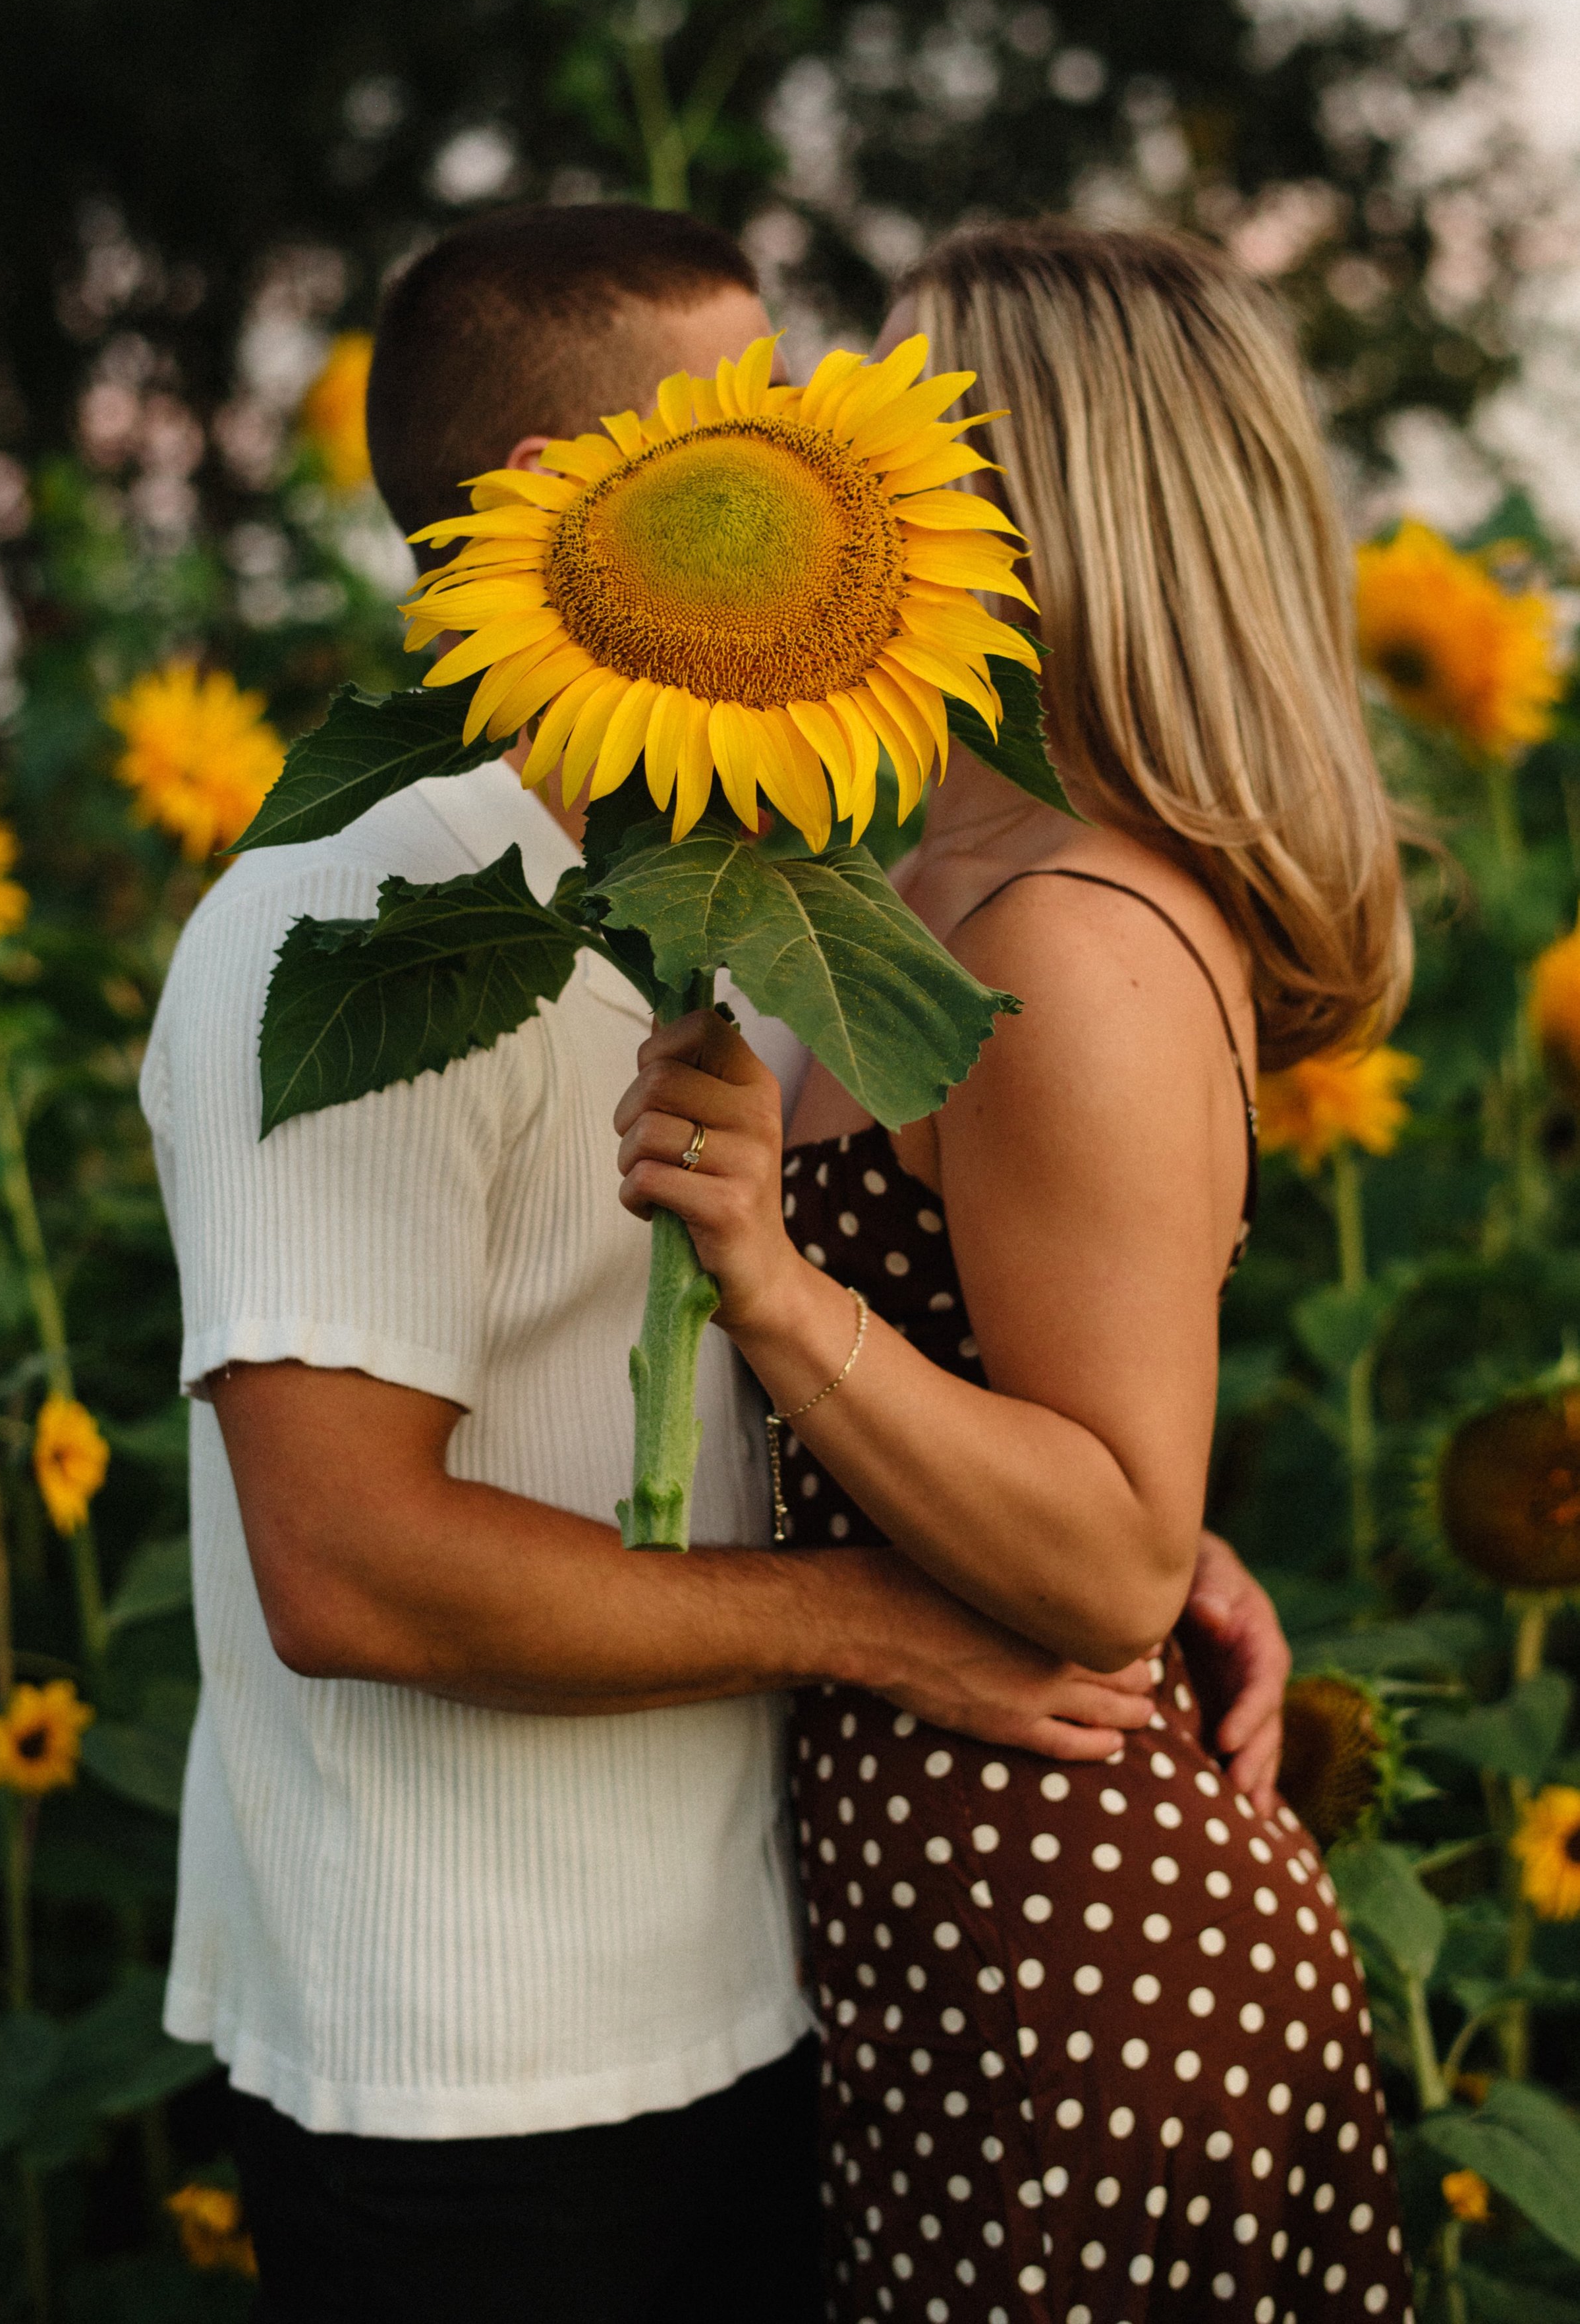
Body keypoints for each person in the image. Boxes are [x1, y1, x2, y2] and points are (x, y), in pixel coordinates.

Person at [142, 202, 1291, 2324]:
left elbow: (816, 1342)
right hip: (476, 2089)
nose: (819, 474)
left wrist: (1102, 1524)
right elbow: (349, 1566)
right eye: (744, 424)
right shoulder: (345, 918)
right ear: (552, 509)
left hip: (772, 2007)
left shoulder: (745, 873)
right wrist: (880, 1619)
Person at [615, 222, 1414, 2323]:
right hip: (954, 1941)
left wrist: (771, 1283)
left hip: (1075, 1966)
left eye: (898, 430)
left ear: (1031, 496)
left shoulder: (1065, 930)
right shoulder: (936, 872)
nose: (836, 478)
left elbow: (1104, 1562)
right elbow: (1064, 1411)